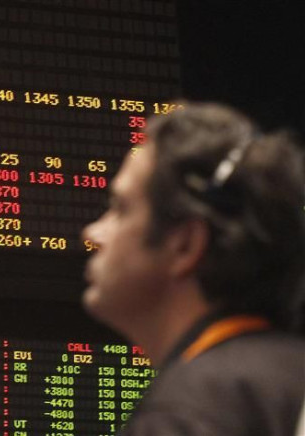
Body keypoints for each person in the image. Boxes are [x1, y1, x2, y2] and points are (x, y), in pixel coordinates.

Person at [82, 102, 305, 435]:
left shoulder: (191, 410)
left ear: (185, 244)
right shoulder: (289, 380)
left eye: (120, 209)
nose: (93, 234)